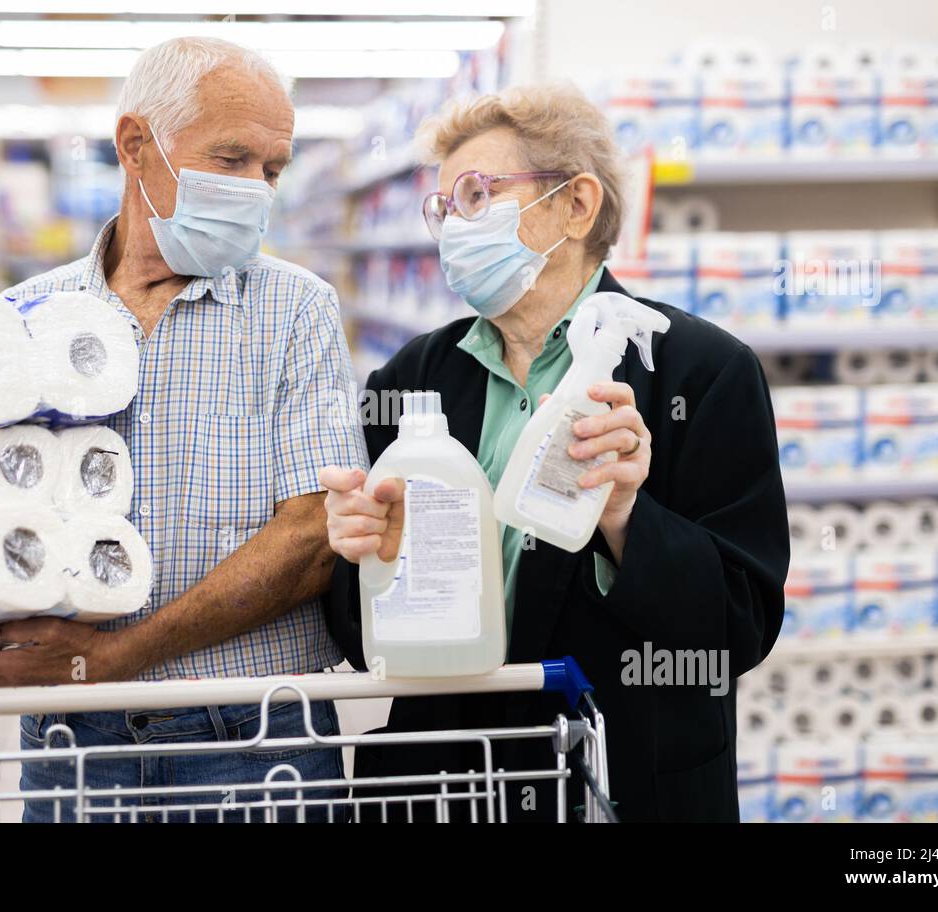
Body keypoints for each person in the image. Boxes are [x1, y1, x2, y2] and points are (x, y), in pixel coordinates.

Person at [0, 38, 367, 822]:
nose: (256, 189)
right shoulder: (22, 323)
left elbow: (309, 539)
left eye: (273, 169)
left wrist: (112, 658)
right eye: (232, 158)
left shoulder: (299, 311)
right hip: (71, 741)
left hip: (253, 732)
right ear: (135, 146)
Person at [319, 84, 789, 822]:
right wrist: (366, 562)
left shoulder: (700, 371)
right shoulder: (413, 378)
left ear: (576, 205)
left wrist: (627, 517)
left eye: (477, 195)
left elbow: (739, 626)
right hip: (447, 781)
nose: (452, 229)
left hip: (623, 776)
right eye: (443, 208)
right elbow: (357, 630)